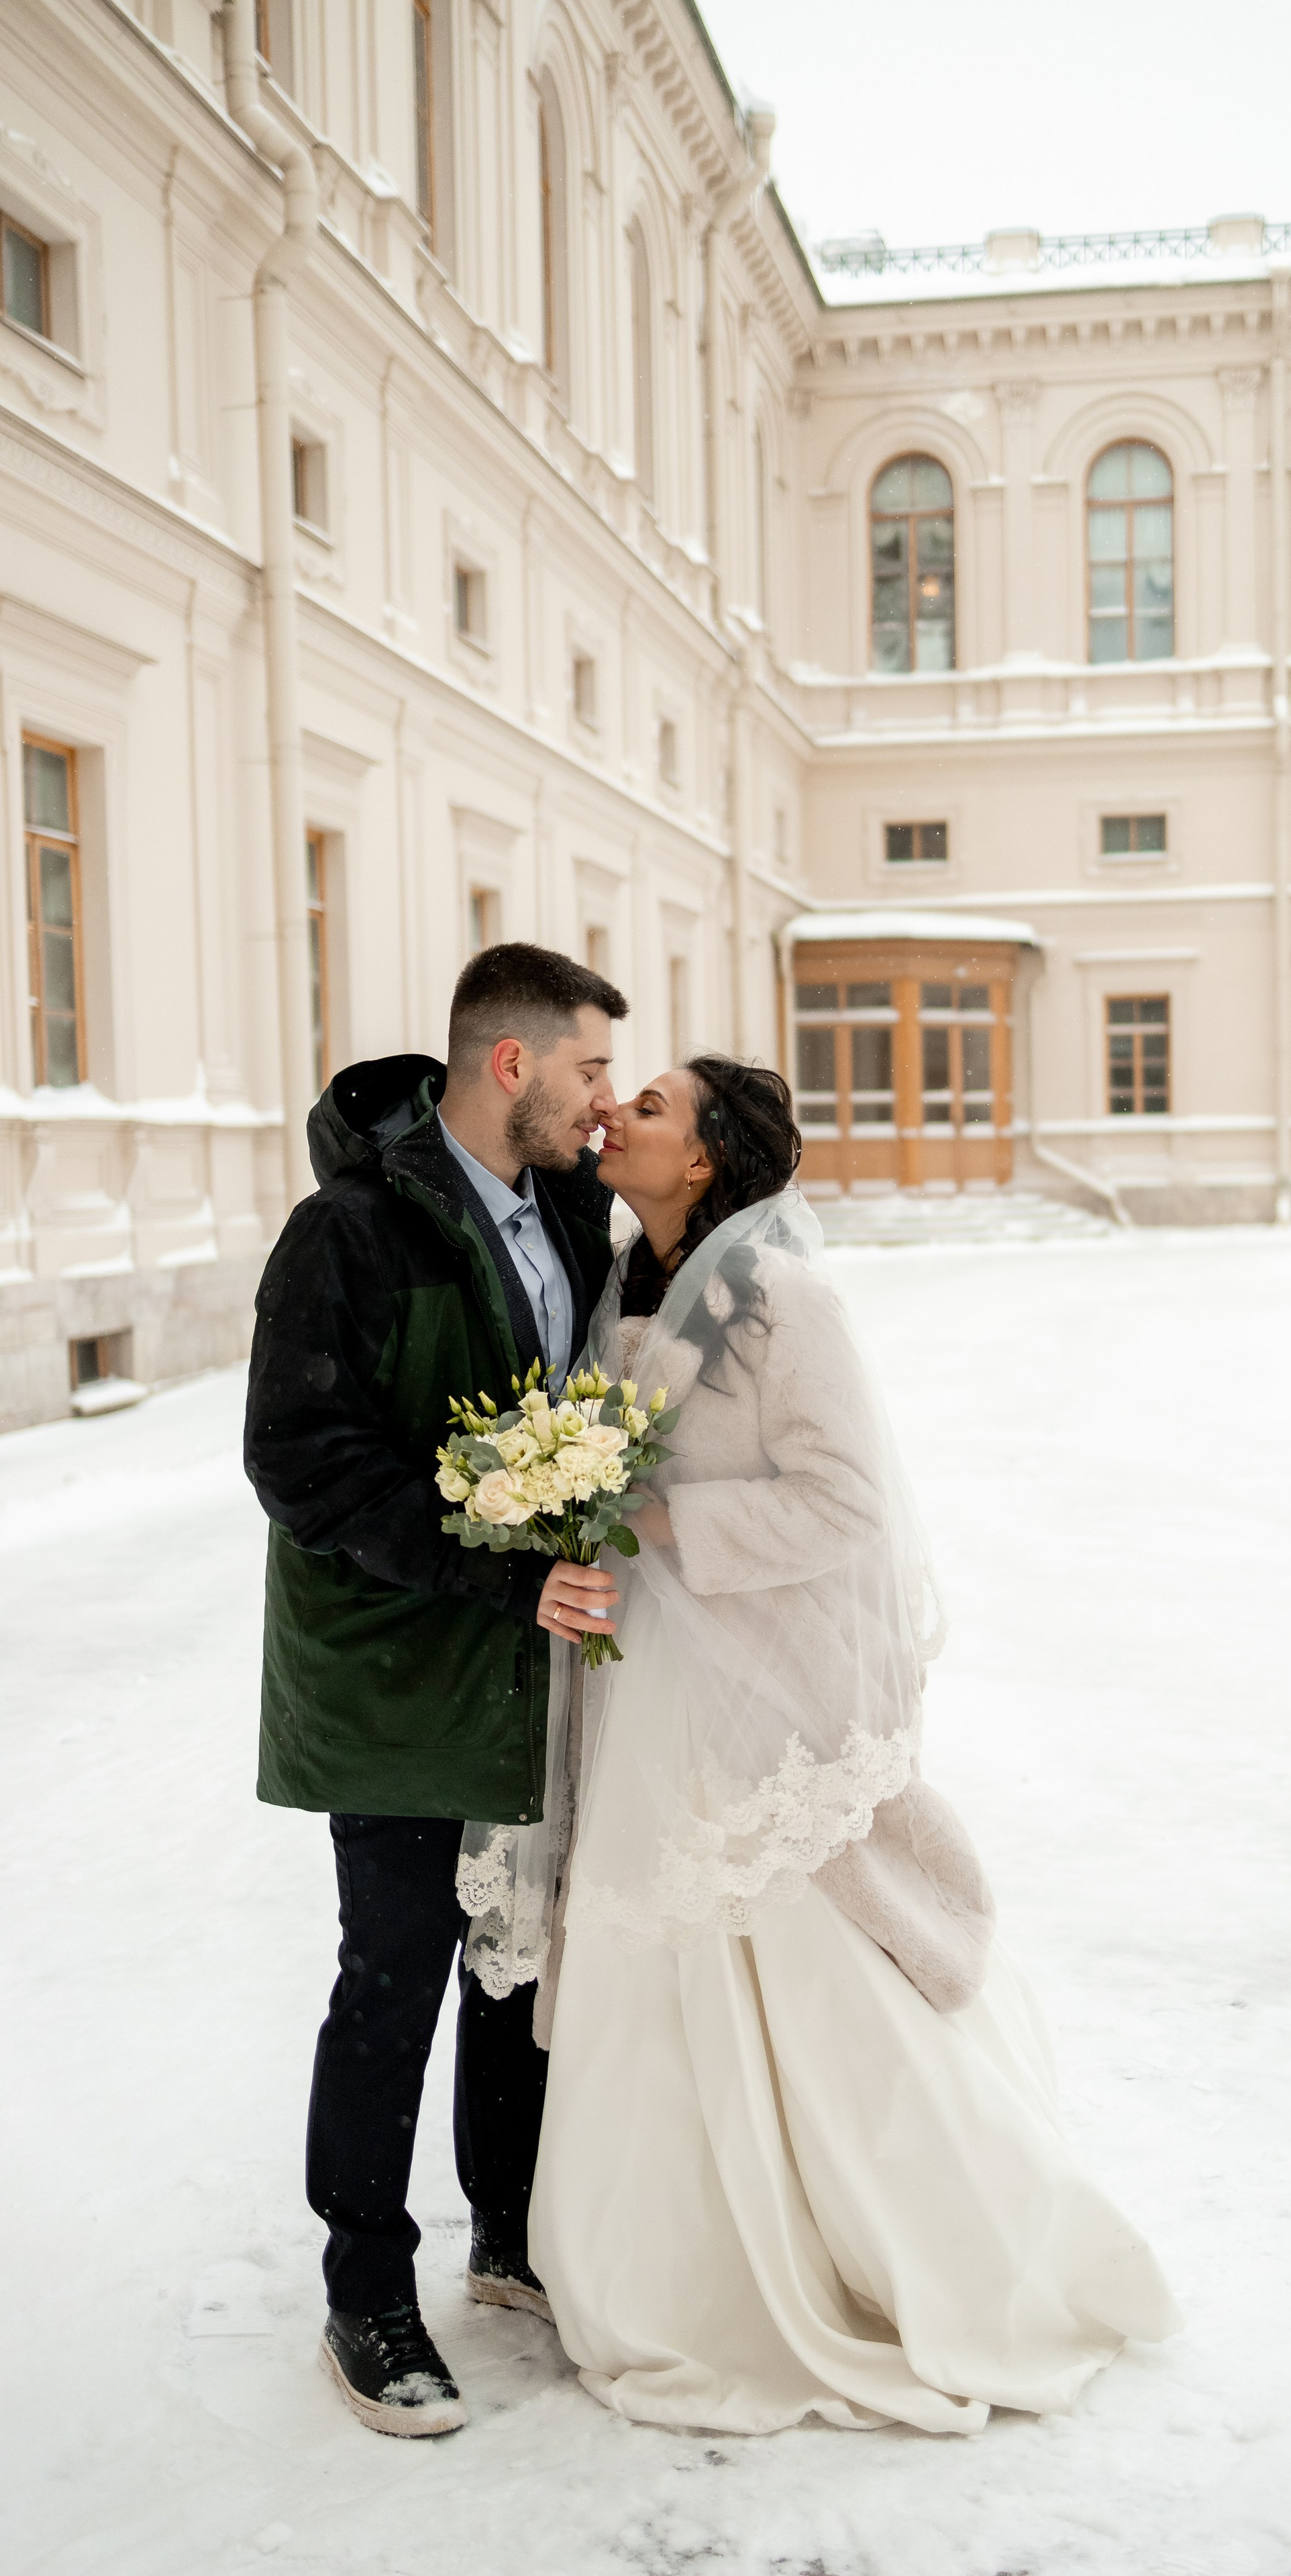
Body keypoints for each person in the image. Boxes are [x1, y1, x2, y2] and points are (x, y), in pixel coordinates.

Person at [468, 1054, 1180, 2434]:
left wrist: (667, 1524)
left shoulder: (781, 1298)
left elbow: (847, 1501)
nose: (619, 1115)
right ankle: (664, 2271)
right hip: (640, 1693)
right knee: (647, 1964)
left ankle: (906, 2251)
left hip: (749, 1695)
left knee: (793, 1968)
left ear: (705, 1163)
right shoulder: (623, 1283)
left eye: (654, 1106)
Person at [244, 942, 630, 2438]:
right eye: (592, 1069)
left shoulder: (574, 1212)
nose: (607, 1100)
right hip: (397, 1677)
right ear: (512, 1064)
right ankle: (365, 2293)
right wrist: (495, 1565)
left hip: (537, 1673)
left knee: (514, 1965)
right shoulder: (343, 1232)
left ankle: (510, 2233)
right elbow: (301, 1461)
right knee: (394, 1977)